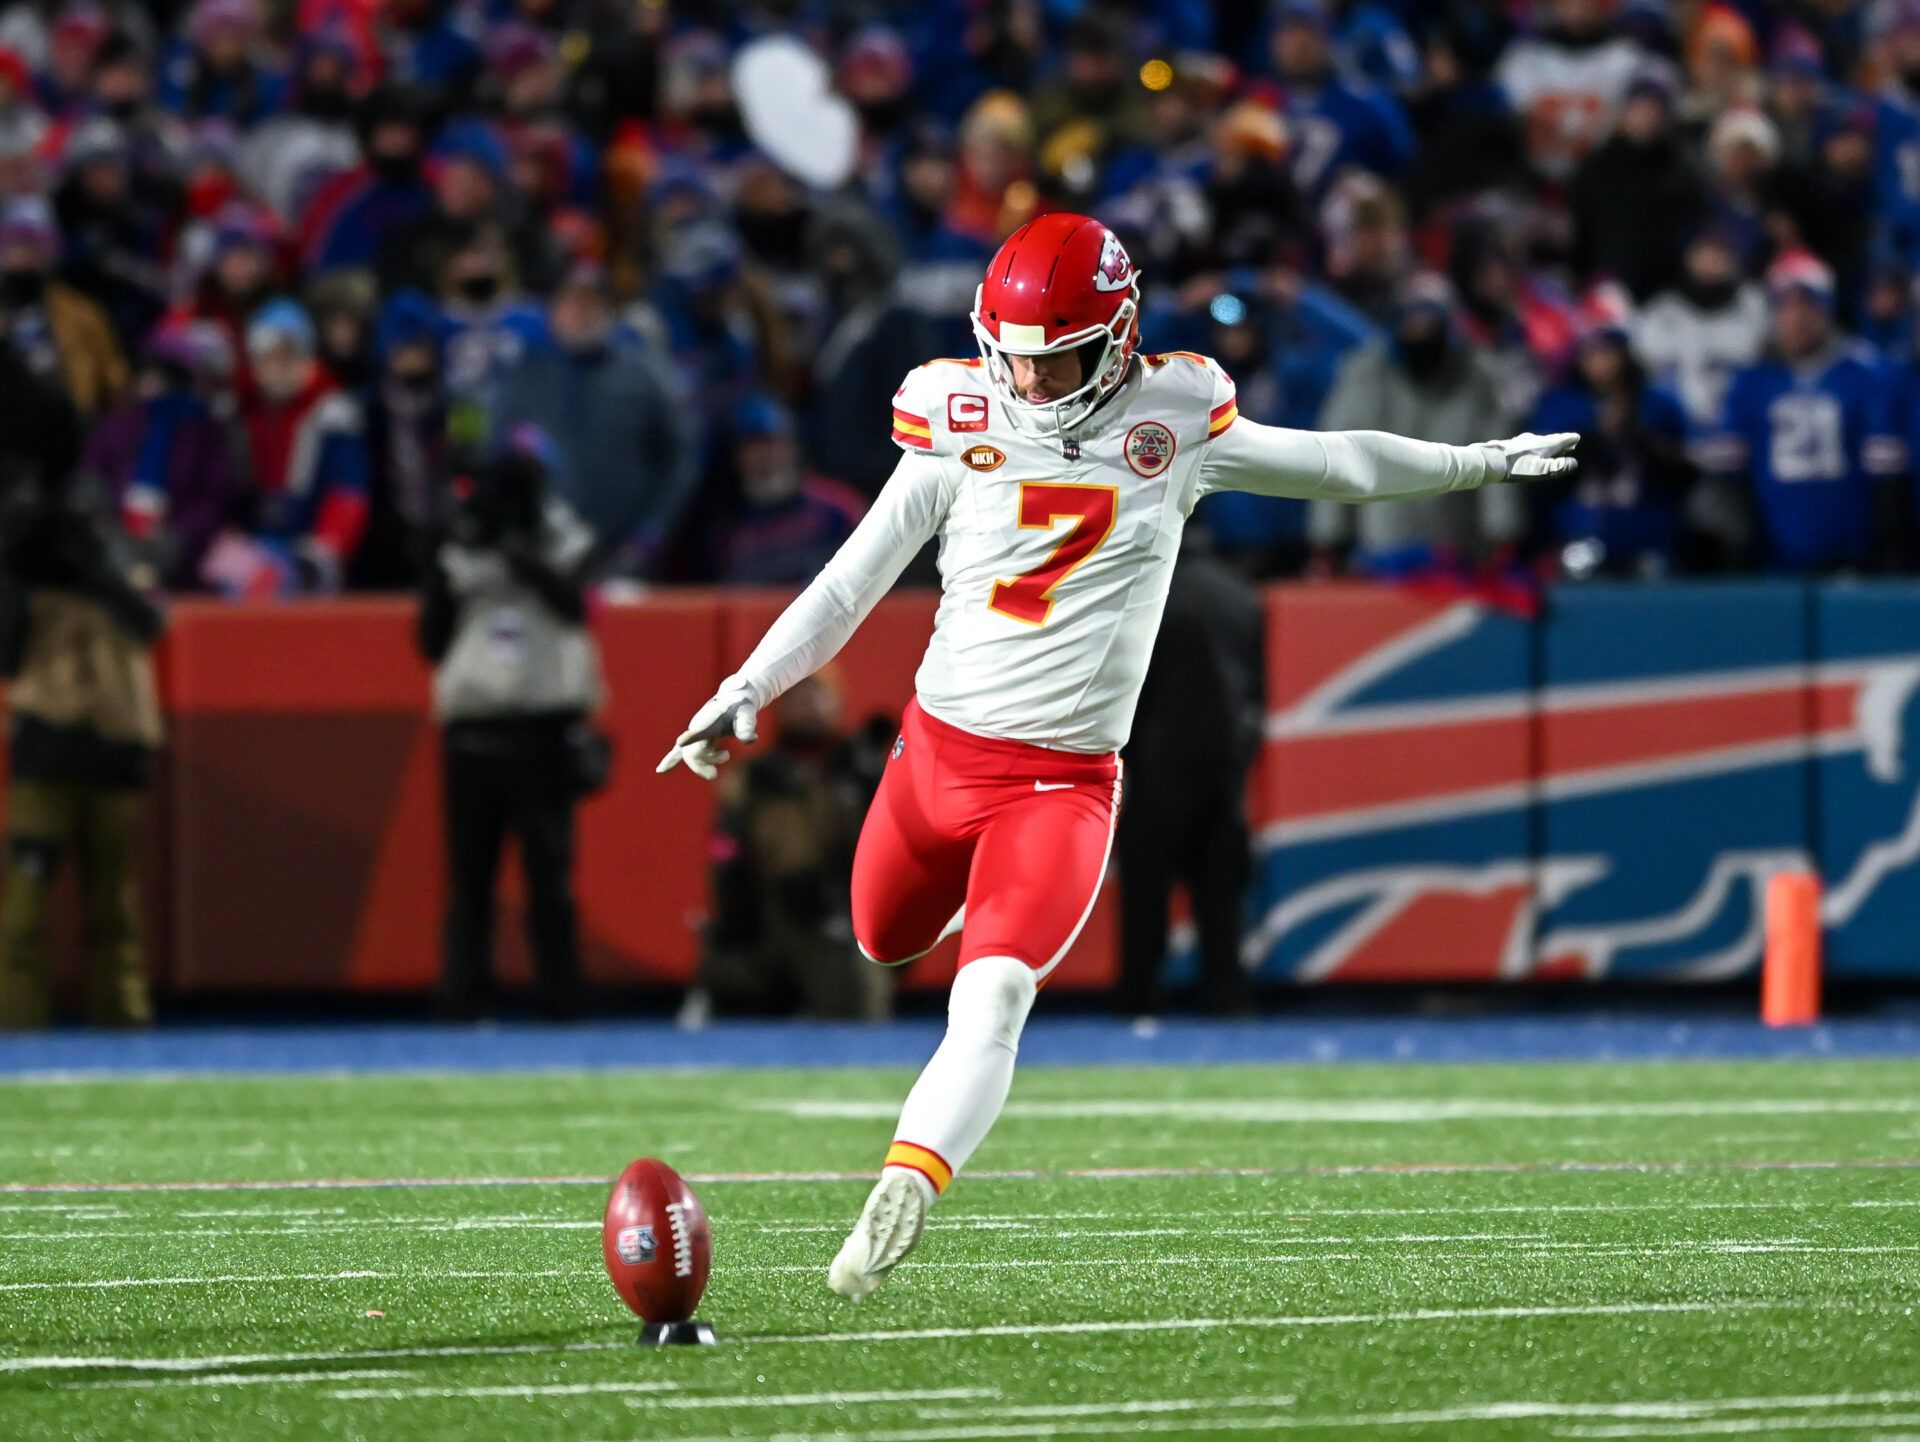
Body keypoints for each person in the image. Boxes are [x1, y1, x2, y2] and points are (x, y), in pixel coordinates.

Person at [656, 213, 1578, 1300]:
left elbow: (1336, 463)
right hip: (937, 754)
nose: (1038, 383)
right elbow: (852, 581)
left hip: (1060, 781)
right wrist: (749, 684)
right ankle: (962, 914)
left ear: (1122, 333)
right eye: (1021, 357)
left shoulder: (1175, 417)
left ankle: (910, 1175)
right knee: (881, 934)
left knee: (993, 998)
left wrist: (1476, 464)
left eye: (1064, 358)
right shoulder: (956, 410)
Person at [0, 326, 162, 1030]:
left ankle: (121, 1020)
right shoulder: (26, 555)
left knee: (113, 903)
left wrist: (91, 570)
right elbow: (6, 651)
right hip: (53, 734)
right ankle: (16, 1020)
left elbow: (149, 621)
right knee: (27, 898)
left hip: (110, 740)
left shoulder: (118, 561)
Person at [418, 432, 602, 1022]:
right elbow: (430, 638)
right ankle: (463, 995)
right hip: (472, 729)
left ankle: (561, 995)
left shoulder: (561, 536)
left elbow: (576, 605)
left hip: (543, 727)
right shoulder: (461, 543)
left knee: (550, 876)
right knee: (470, 879)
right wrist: (456, 552)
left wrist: (520, 549)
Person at [1114, 533, 1265, 1019]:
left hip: (1158, 765)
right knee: (1220, 895)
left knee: (1145, 895)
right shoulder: (1239, 596)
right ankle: (1227, 998)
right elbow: (1256, 697)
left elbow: (1128, 688)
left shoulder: (1144, 594)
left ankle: (1139, 997)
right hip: (1223, 768)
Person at [690, 672, 894, 1023]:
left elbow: (887, 852)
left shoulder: (860, 772)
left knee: (857, 994)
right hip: (769, 909)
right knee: (728, 973)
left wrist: (841, 900)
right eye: (799, 696)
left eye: (818, 695)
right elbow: (726, 852)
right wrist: (737, 910)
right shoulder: (754, 778)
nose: (808, 706)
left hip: (839, 914)